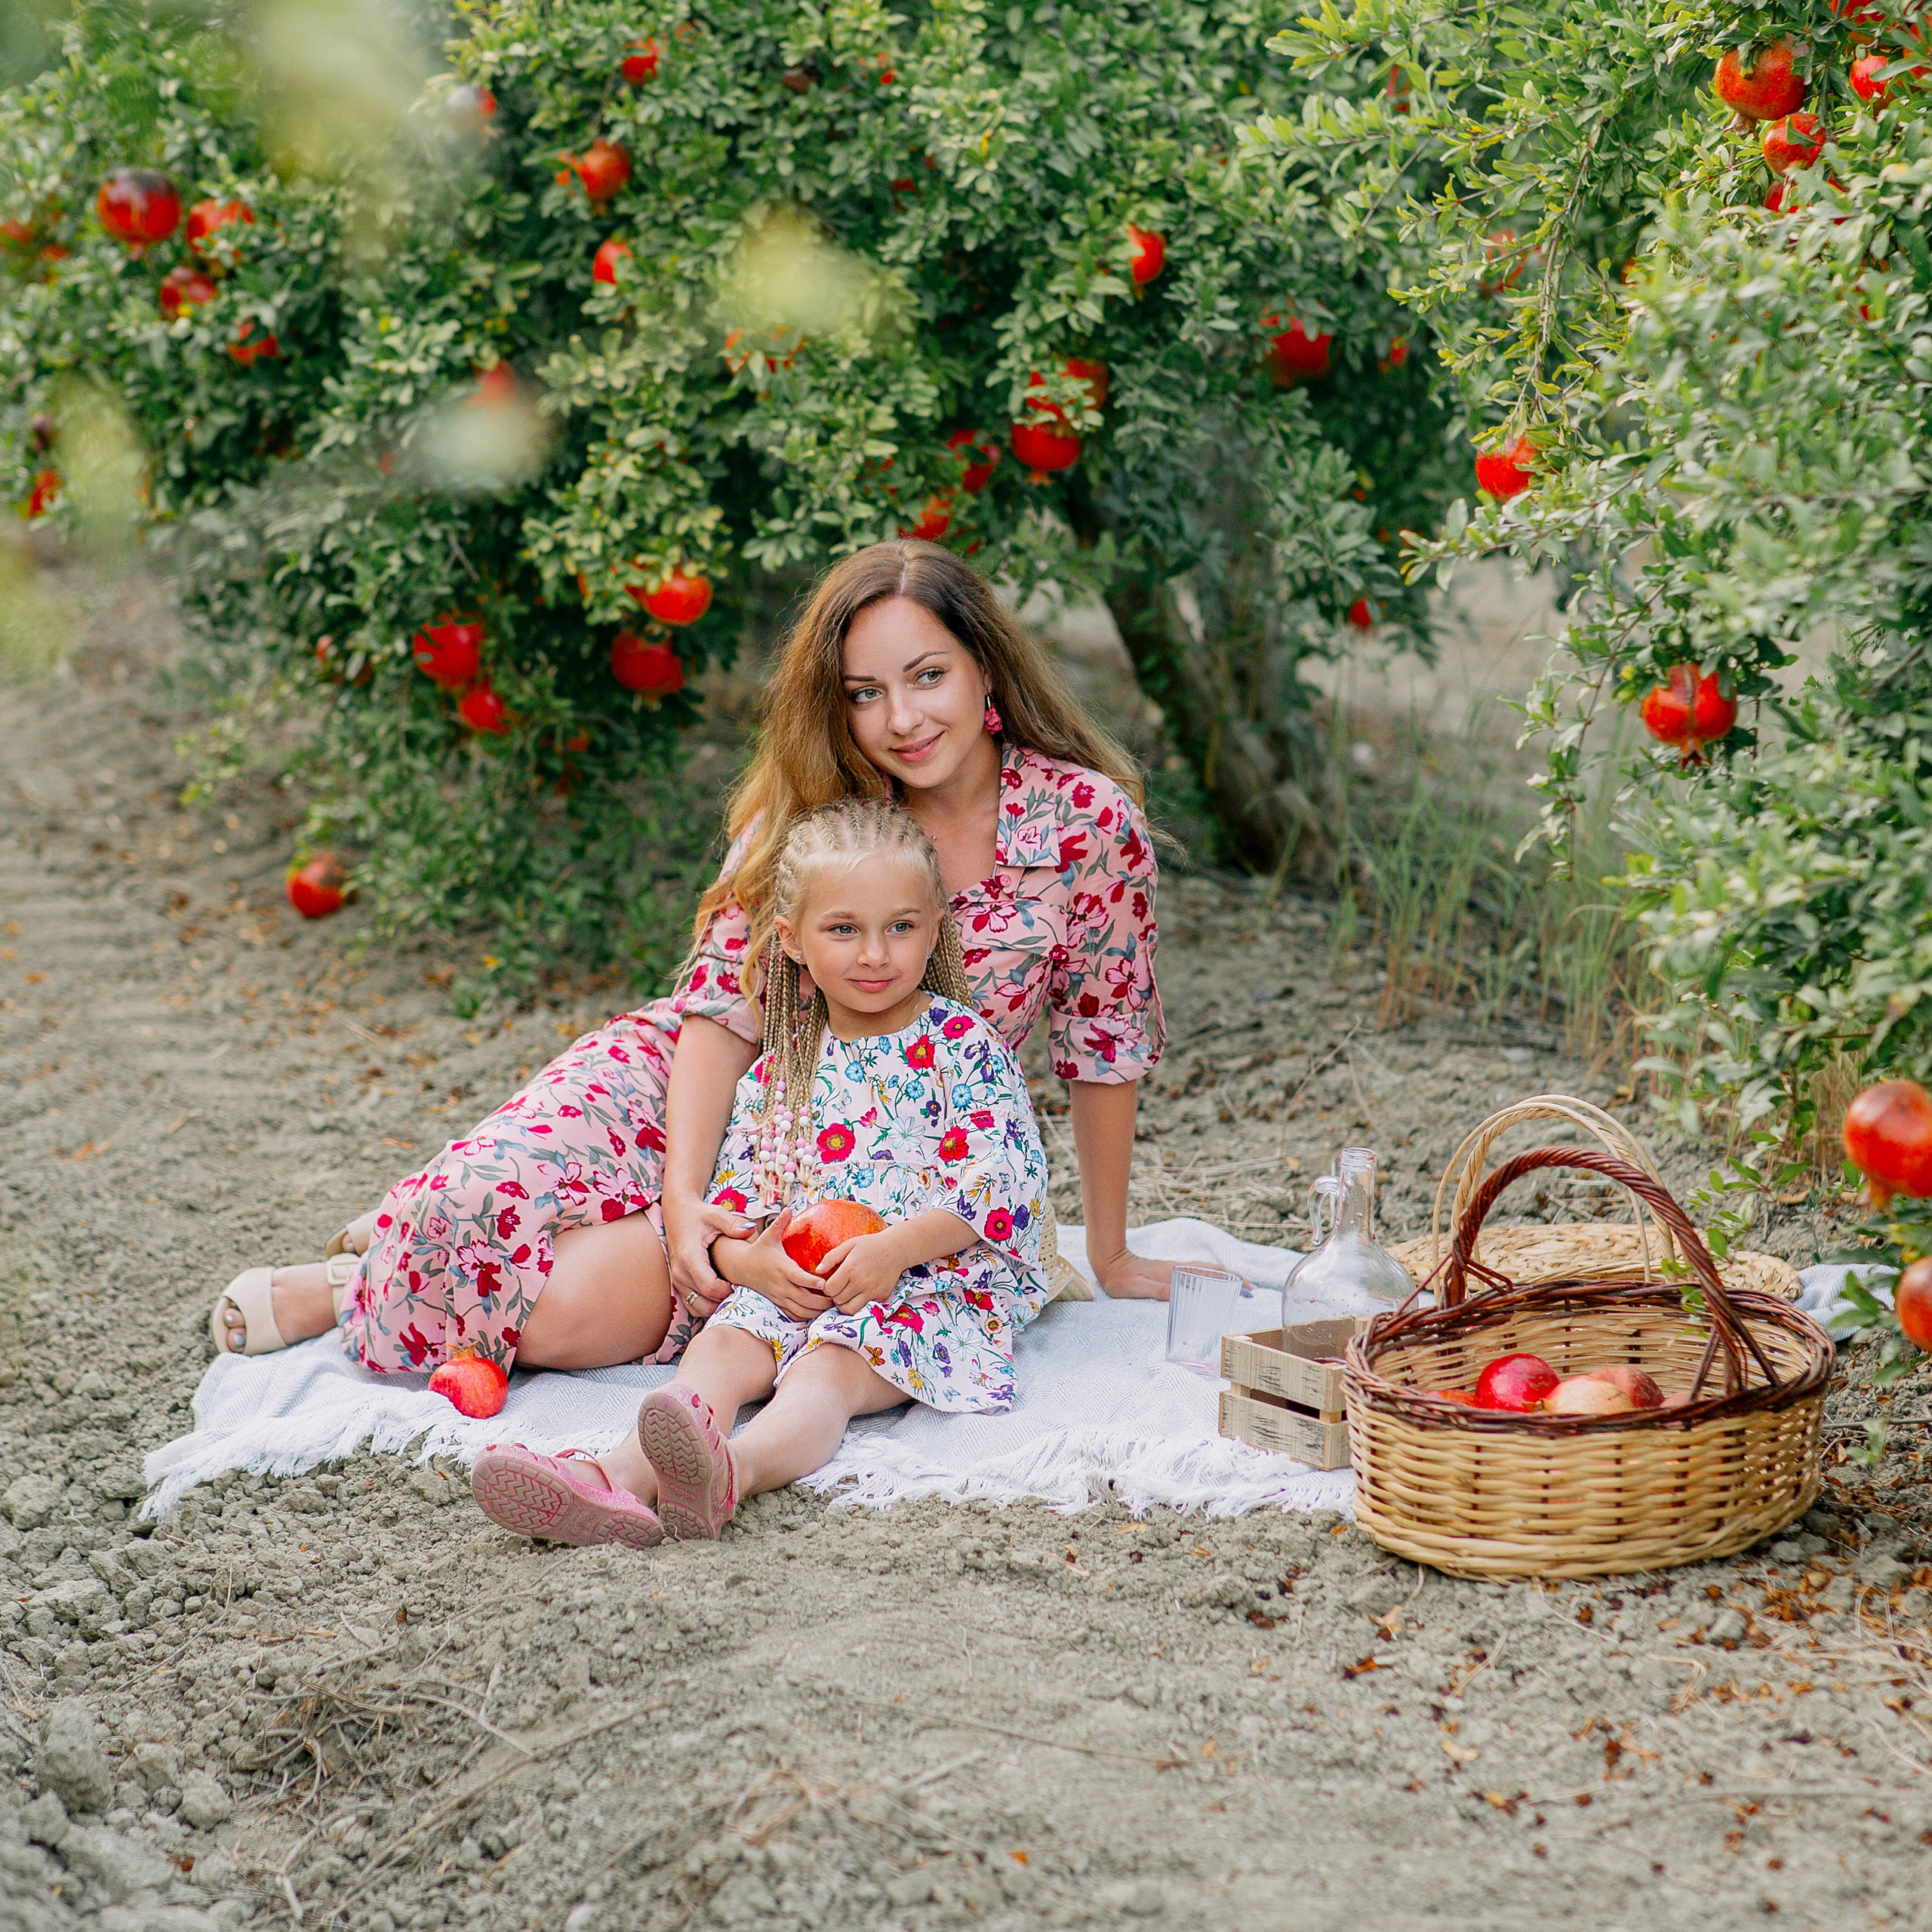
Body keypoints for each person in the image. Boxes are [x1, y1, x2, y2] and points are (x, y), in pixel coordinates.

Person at [208, 539, 1178, 1386]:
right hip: (693, 1078)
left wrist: (1110, 1247)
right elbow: (724, 1008)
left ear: (984, 669)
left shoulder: (1083, 822)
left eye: (928, 676)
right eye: (864, 693)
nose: (902, 719)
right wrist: (683, 1206)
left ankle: (382, 1272)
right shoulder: (807, 800)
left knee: (560, 1318)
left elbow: (1106, 1033)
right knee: (474, 1198)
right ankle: (365, 1274)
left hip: (862, 1144)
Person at [469, 799, 1053, 1544]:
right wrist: (754, 1263)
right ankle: (612, 1476)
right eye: (844, 929)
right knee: (721, 1347)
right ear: (793, 941)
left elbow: (997, 1182)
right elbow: (737, 1200)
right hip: (797, 1281)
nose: (875, 954)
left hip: (922, 1283)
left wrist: (893, 1250)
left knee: (828, 1370)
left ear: (935, 924)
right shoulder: (781, 1069)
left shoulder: (960, 1045)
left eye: (900, 927)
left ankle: (731, 1471)